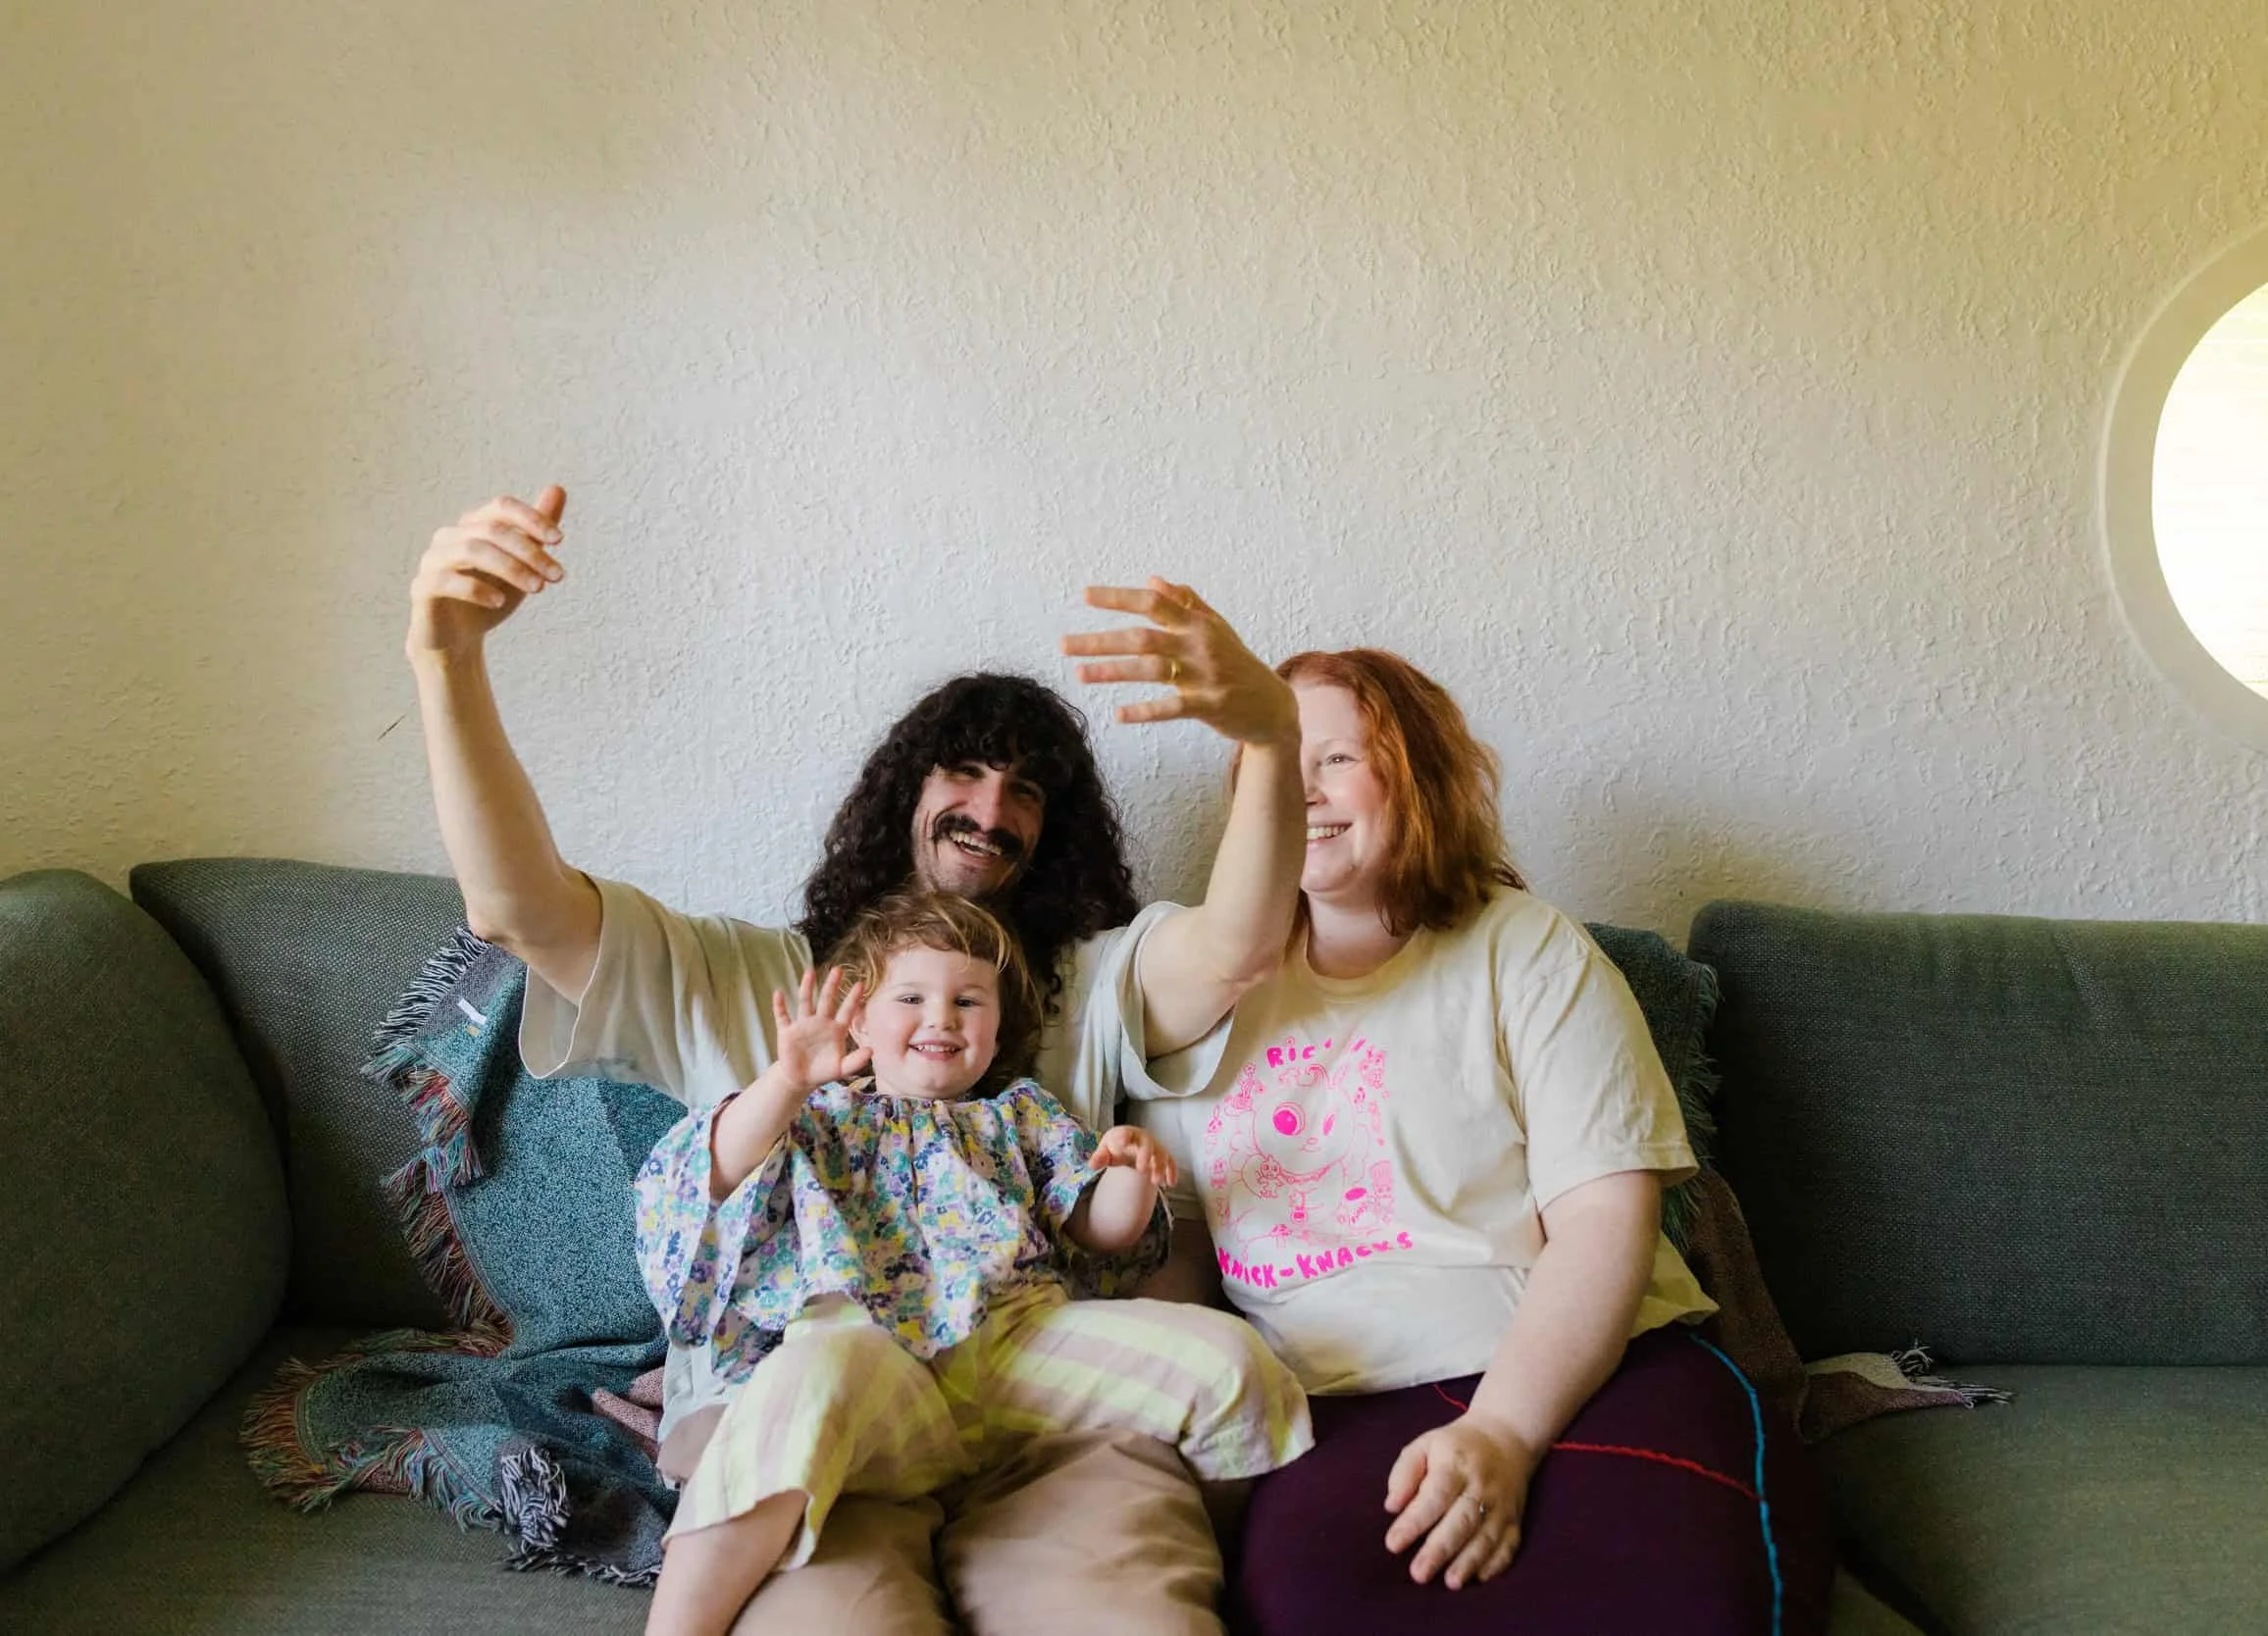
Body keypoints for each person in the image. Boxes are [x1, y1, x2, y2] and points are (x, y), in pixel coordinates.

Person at [405, 485, 1309, 1635]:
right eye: (966, 774)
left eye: (1026, 792)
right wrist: (445, 659)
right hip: (808, 1430)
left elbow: (1236, 950)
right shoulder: (747, 979)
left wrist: (1270, 735)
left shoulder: (1082, 983)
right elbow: (516, 906)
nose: (991, 809)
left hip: (1054, 1424)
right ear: (905, 795)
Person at [1131, 649, 1834, 1635]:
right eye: (1272, 761)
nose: (1302, 789)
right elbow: (1187, 1249)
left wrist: (1503, 1432)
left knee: (1684, 1602)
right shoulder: (1193, 983)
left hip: (1585, 1367)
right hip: (1330, 1404)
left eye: (1334, 758)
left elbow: (1603, 1223)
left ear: (1411, 773)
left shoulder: (1528, 948)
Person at [633, 891, 1312, 1636]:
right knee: (798, 1384)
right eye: (911, 997)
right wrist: (787, 1082)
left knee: (1230, 1360)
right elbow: (710, 1181)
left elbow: (1103, 1231)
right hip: (872, 1363)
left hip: (1015, 1356)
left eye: (968, 999)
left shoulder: (1019, 1116)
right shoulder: (818, 1119)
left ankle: (1243, 1570)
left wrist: (1129, 1173)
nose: (941, 1016)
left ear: (996, 1029)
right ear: (858, 1018)